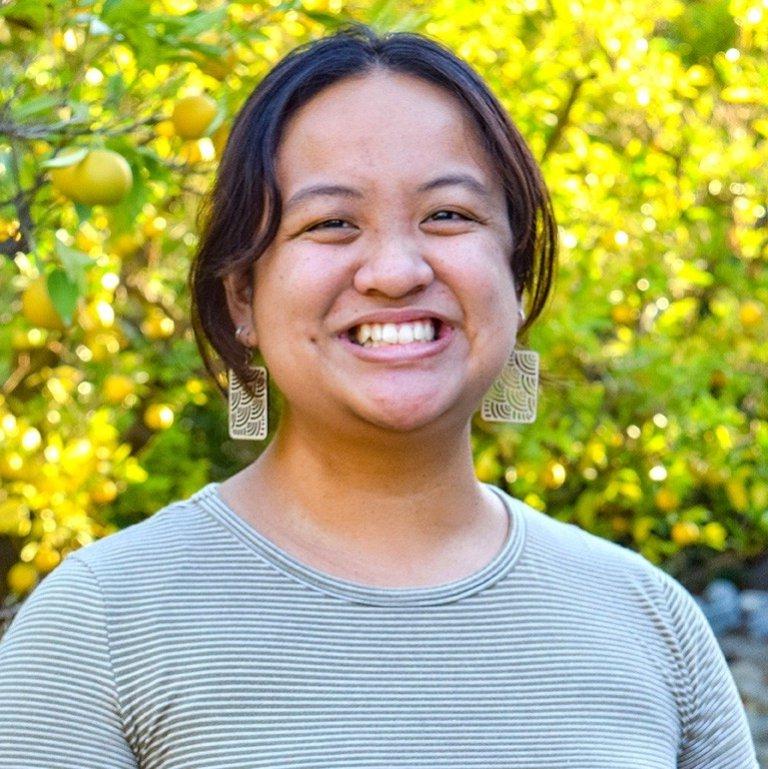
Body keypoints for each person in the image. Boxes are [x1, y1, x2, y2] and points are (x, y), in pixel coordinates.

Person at [0, 23, 759, 769]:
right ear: (242, 296)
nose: (395, 271)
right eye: (330, 222)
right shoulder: (99, 625)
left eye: (448, 215)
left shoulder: (651, 621)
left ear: (516, 277)